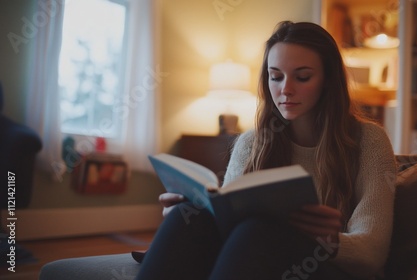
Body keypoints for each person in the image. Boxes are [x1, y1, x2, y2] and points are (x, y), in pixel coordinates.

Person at [136, 21, 396, 280]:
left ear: (328, 80)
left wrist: (330, 240)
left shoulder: (369, 141)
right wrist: (194, 213)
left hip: (327, 269)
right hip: (259, 260)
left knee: (257, 231)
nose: (285, 89)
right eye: (276, 76)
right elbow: (227, 227)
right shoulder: (252, 142)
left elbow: (372, 252)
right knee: (186, 216)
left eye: (302, 77)